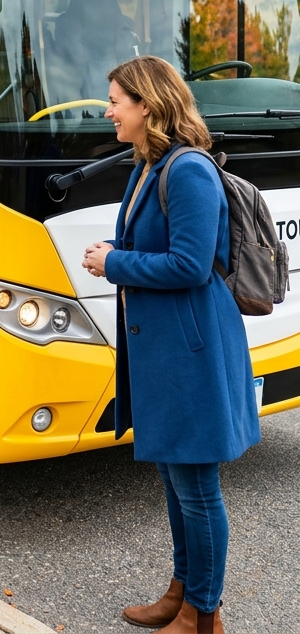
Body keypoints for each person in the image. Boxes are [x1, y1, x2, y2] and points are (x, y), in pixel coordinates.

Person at [82, 57, 259, 634]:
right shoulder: (147, 164)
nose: (107, 111)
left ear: (147, 106)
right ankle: (182, 592)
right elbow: (154, 240)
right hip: (163, 348)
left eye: (115, 101)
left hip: (192, 350)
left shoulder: (188, 171)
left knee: (197, 487)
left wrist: (115, 263)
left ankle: (205, 615)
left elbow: (189, 264)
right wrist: (118, 247)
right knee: (172, 475)